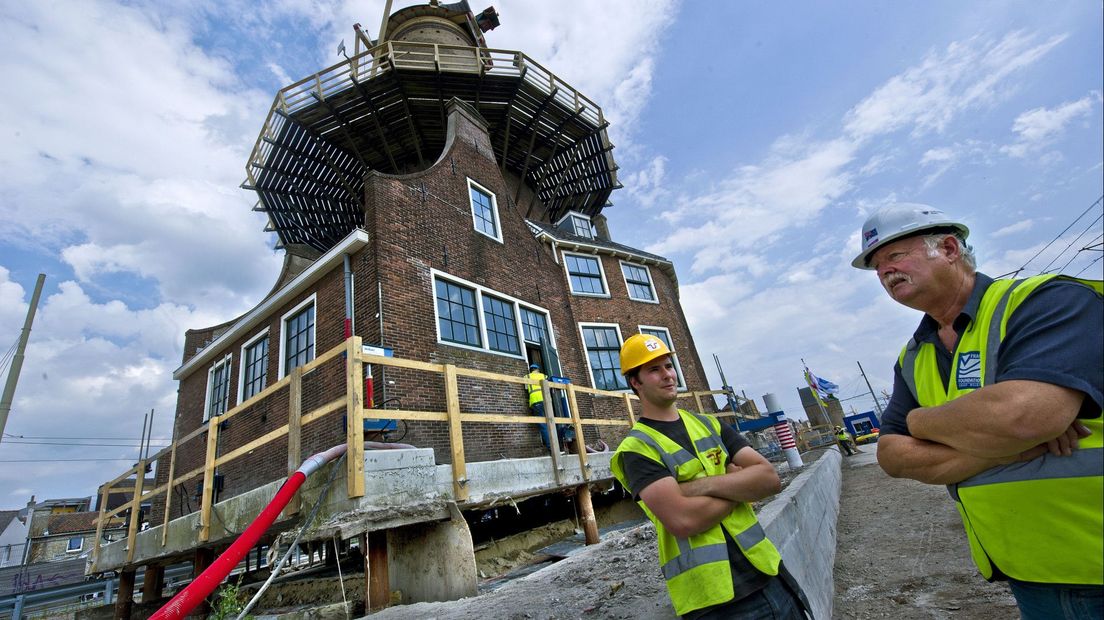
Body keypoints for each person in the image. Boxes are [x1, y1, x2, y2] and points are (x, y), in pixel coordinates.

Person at [853, 203, 1103, 619]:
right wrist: (1007, 449)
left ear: (949, 248)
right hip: (1028, 571)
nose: (885, 273)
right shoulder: (915, 356)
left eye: (895, 256)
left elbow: (1024, 416)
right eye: (878, 267)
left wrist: (922, 422)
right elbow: (893, 456)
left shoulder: (1043, 301)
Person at [610, 334, 810, 619]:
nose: (668, 375)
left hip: (769, 571)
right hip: (715, 602)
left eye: (668, 366)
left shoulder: (709, 424)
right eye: (654, 370)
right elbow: (684, 520)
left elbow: (769, 479)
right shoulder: (637, 449)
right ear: (635, 382)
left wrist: (700, 487)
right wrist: (738, 485)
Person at [525, 363, 573, 451]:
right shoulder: (543, 376)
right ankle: (558, 446)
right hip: (546, 401)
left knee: (543, 425)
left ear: (530, 370)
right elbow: (551, 382)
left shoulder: (527, 377)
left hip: (535, 402)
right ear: (537, 369)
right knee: (550, 422)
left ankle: (551, 448)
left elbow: (526, 388)